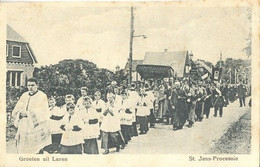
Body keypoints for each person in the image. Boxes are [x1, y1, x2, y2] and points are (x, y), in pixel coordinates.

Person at [12, 77, 51, 154]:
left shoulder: (42, 96)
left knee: (36, 148)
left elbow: (43, 111)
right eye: (29, 85)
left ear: (37, 85)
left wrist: (28, 113)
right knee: (23, 147)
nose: (30, 87)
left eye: (32, 85)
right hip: (24, 123)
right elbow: (17, 108)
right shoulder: (24, 95)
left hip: (35, 124)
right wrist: (20, 113)